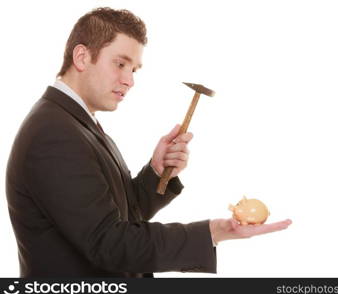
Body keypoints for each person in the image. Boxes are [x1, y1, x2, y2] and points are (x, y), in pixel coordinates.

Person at [5, 7, 292, 278]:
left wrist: (156, 171)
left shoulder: (76, 122)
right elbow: (111, 243)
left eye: (134, 69)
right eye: (120, 64)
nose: (129, 80)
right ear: (81, 57)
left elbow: (117, 216)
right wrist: (212, 232)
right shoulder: (54, 133)